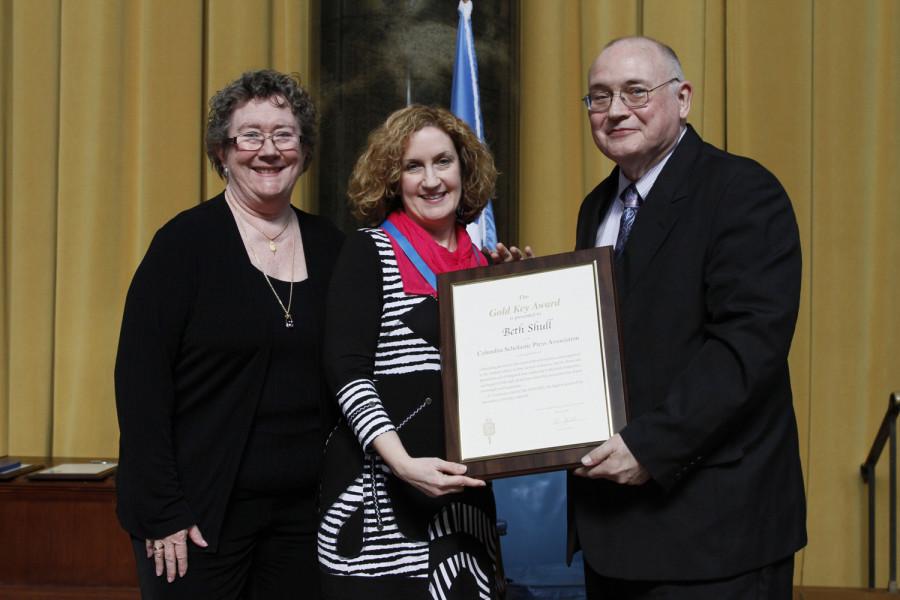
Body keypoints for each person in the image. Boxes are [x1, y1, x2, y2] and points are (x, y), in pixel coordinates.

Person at [569, 37, 807, 598]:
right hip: (615, 531)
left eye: (636, 91)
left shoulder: (742, 191)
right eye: (599, 97)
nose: (616, 110)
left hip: (716, 532)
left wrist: (650, 446)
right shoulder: (595, 208)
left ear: (683, 99)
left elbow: (746, 348)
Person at [115, 69, 343, 599]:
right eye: (251, 135)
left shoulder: (332, 246)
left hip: (306, 520)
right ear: (222, 151)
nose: (269, 151)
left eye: (284, 135)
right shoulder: (181, 246)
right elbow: (140, 387)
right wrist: (162, 510)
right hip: (198, 516)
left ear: (304, 151)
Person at [316, 105, 528, 599]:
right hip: (379, 506)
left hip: (462, 508)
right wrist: (403, 463)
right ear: (393, 179)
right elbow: (346, 373)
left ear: (465, 169)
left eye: (443, 162)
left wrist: (527, 293)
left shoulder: (483, 266)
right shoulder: (369, 251)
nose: (431, 180)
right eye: (414, 166)